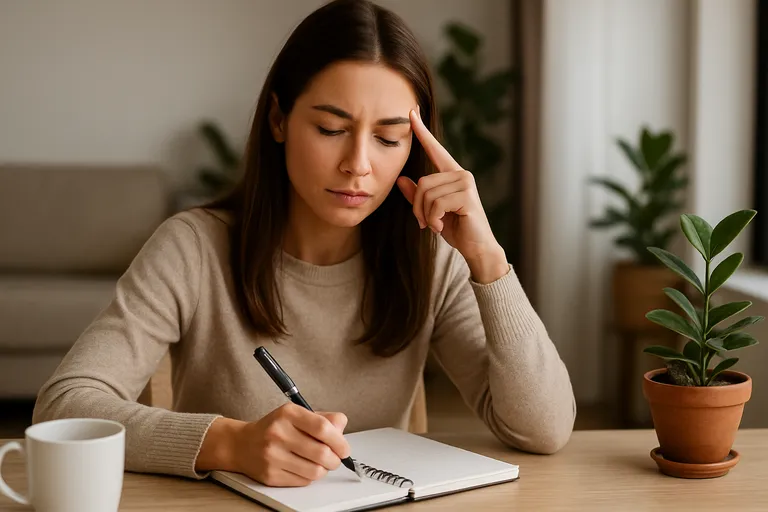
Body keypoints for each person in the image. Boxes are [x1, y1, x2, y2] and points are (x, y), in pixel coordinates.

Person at [33, 0, 576, 488]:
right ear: (279, 119)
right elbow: (63, 407)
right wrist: (230, 444)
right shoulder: (193, 247)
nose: (358, 164)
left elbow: (543, 430)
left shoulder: (430, 257)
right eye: (331, 129)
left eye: (388, 138)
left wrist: (487, 259)